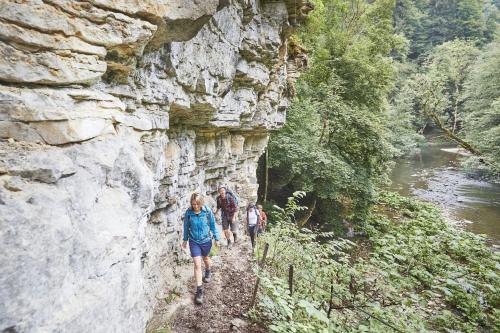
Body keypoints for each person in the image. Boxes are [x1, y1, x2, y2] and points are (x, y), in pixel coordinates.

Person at [182, 193, 220, 305]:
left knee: (206, 259)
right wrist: (185, 240)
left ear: (201, 203)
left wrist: (217, 238)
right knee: (197, 265)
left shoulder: (207, 212)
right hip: (194, 241)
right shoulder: (189, 213)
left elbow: (213, 225)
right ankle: (199, 291)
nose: (195, 206)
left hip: (206, 240)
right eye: (193, 204)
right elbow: (186, 227)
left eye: (197, 204)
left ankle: (208, 270)